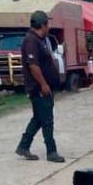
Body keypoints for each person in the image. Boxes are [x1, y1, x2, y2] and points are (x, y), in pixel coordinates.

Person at [15, 11, 64, 163]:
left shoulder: (40, 39)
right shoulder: (31, 41)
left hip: (44, 86)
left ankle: (23, 146)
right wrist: (43, 84)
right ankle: (51, 151)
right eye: (47, 24)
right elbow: (33, 66)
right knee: (47, 120)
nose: (49, 26)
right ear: (43, 25)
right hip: (38, 88)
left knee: (38, 118)